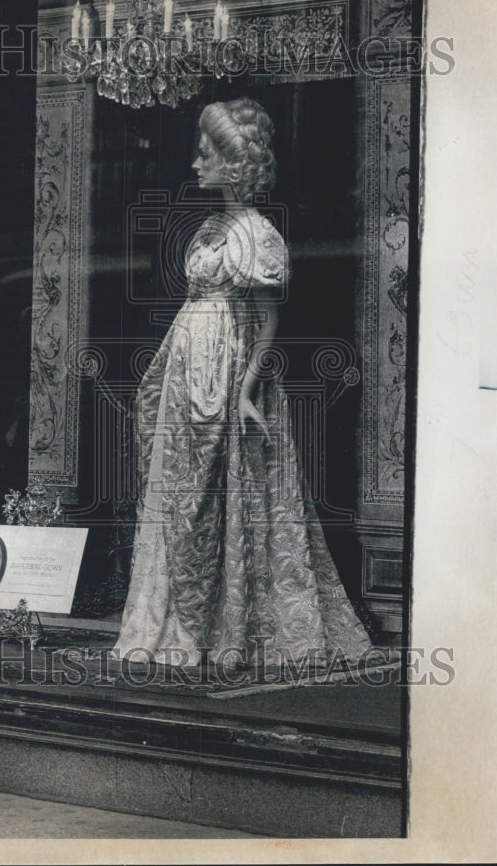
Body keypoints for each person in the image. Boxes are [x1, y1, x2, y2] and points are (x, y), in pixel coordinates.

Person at [110, 98, 371, 670]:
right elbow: (194, 301)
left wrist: (248, 390)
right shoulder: (210, 226)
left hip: (230, 371)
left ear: (233, 165)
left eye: (207, 153)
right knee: (179, 491)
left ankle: (229, 629)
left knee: (234, 489)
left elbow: (271, 320)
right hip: (188, 370)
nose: (196, 160)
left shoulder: (257, 234)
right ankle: (174, 621)